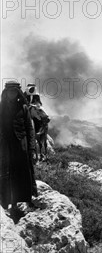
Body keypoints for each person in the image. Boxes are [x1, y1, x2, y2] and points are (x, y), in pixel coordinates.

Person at [0, 81, 38, 223]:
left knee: (21, 174)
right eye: (9, 92)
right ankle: (7, 204)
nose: (12, 94)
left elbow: (30, 129)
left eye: (14, 92)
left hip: (21, 146)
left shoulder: (24, 108)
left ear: (18, 93)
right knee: (6, 174)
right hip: (5, 146)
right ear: (6, 93)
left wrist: (32, 148)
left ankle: (21, 203)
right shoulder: (1, 107)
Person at [28, 94, 50, 163]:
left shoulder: (38, 105)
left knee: (43, 140)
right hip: (35, 118)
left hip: (39, 120)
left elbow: (41, 112)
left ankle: (43, 155)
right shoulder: (32, 105)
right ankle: (39, 156)